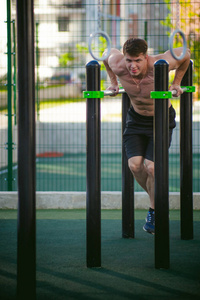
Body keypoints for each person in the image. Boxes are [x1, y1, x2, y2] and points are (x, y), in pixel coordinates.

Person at [103, 38, 191, 234]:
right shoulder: (119, 64)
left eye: (137, 61)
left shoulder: (160, 64)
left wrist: (176, 82)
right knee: (134, 165)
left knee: (151, 167)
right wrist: (113, 83)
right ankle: (158, 202)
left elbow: (186, 53)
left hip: (160, 119)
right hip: (136, 120)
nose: (132, 66)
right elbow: (107, 55)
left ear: (146, 57)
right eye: (129, 61)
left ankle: (154, 210)